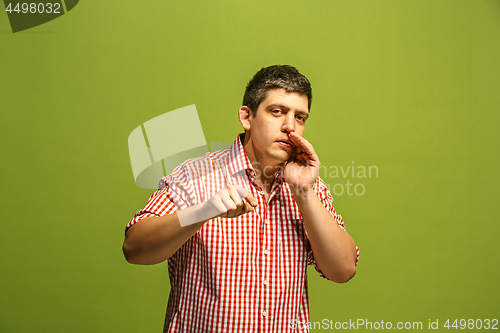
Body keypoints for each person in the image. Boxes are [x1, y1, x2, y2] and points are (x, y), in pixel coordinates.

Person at [123, 65, 359, 332]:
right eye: (277, 111)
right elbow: (134, 249)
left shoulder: (309, 186)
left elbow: (342, 271)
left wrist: (304, 192)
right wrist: (202, 211)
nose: (290, 126)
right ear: (247, 117)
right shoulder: (195, 175)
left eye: (300, 117)